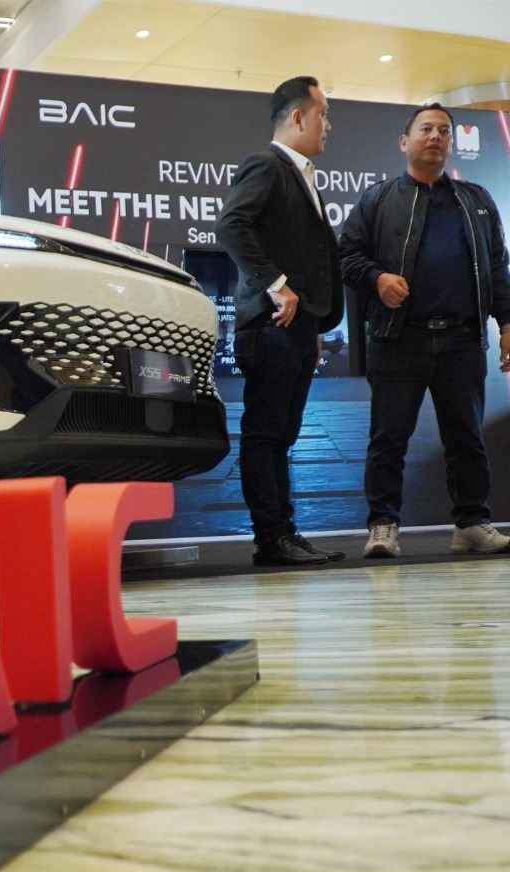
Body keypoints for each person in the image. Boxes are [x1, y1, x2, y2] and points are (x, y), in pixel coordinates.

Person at [337, 104, 510, 559]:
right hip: (398, 338)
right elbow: (346, 257)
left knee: (467, 438)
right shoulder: (377, 199)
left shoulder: (476, 200)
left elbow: (497, 266)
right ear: (405, 142)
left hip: (461, 339)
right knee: (388, 438)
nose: (436, 136)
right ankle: (383, 525)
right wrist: (377, 278)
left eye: (444, 130)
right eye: (426, 129)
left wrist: (508, 324)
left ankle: (472, 524)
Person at [216, 75, 346, 566]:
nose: (328, 125)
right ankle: (271, 538)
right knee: (266, 433)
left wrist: (312, 326)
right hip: (270, 327)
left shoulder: (301, 174)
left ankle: (284, 531)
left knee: (283, 435)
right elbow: (230, 224)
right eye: (323, 114)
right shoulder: (267, 164)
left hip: (295, 329)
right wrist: (277, 283)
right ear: (297, 117)